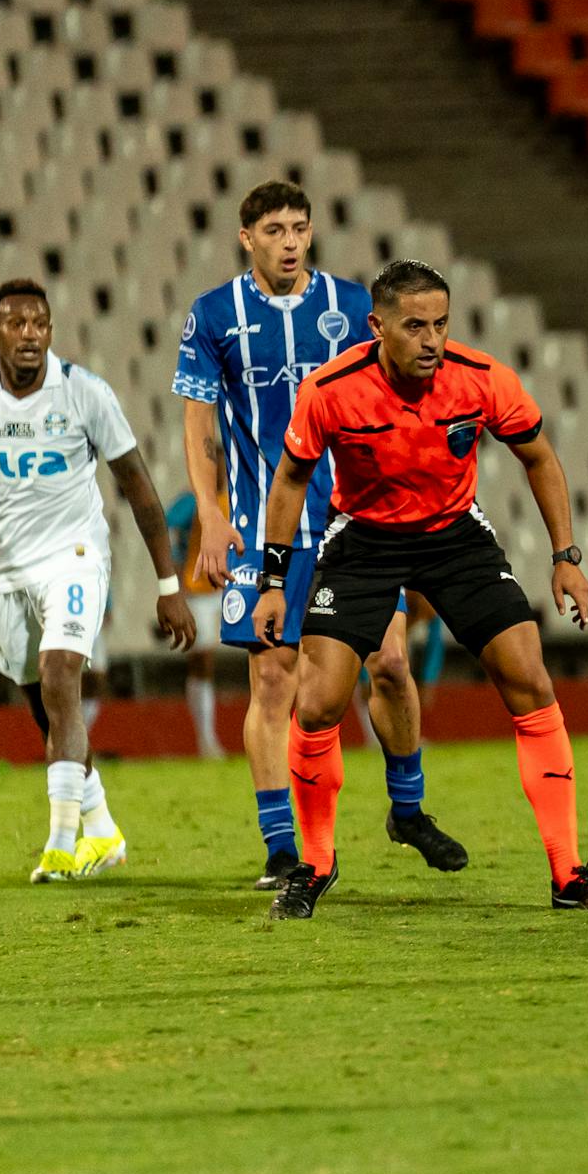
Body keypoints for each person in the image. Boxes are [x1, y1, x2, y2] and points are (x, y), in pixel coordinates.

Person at [252, 259, 588, 917]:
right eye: (415, 326)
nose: (432, 340)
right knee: (317, 702)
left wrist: (566, 555)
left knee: (530, 680)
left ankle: (568, 875)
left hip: (454, 534)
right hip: (363, 539)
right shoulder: (331, 389)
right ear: (377, 327)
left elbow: (539, 456)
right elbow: (289, 480)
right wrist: (274, 580)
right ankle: (314, 865)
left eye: (442, 325)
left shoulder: (481, 379)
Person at [175, 180, 464, 889]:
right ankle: (281, 847)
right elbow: (199, 422)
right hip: (263, 528)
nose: (290, 241)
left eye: (299, 227)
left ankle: (407, 807)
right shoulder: (214, 315)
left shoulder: (349, 308)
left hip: (356, 524)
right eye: (273, 229)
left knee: (391, 663)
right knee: (273, 681)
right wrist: (209, 512)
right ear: (247, 238)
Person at [0, 279, 197, 882]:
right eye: (16, 324)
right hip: (7, 569)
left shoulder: (84, 393)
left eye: (40, 324)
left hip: (75, 554)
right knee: (45, 704)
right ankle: (103, 832)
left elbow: (139, 488)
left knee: (59, 674)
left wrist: (167, 585)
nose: (30, 335)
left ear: (51, 331)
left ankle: (61, 844)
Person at [164, 487, 228, 757]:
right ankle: (206, 738)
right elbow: (168, 528)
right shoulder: (192, 500)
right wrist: (176, 572)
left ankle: (208, 739)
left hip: (229, 587)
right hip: (198, 587)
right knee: (202, 660)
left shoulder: (233, 497)